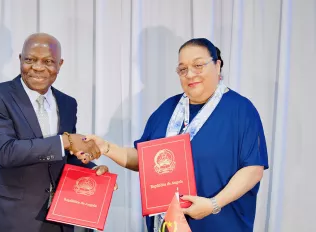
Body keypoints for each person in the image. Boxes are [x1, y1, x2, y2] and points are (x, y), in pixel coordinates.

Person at [77, 38, 269, 232]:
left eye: (198, 65)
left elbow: (253, 169)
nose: (190, 74)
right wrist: (107, 148)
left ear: (217, 65)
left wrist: (213, 204)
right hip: (167, 225)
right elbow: (145, 160)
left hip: (219, 223)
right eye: (183, 69)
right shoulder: (167, 109)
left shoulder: (240, 110)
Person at [0, 33, 107, 232]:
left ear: (60, 64)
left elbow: (66, 155)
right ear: (20, 59)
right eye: (30, 60)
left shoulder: (67, 103)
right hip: (9, 218)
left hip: (59, 218)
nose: (38, 67)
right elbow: (5, 152)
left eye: (47, 61)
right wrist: (64, 141)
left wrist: (92, 171)